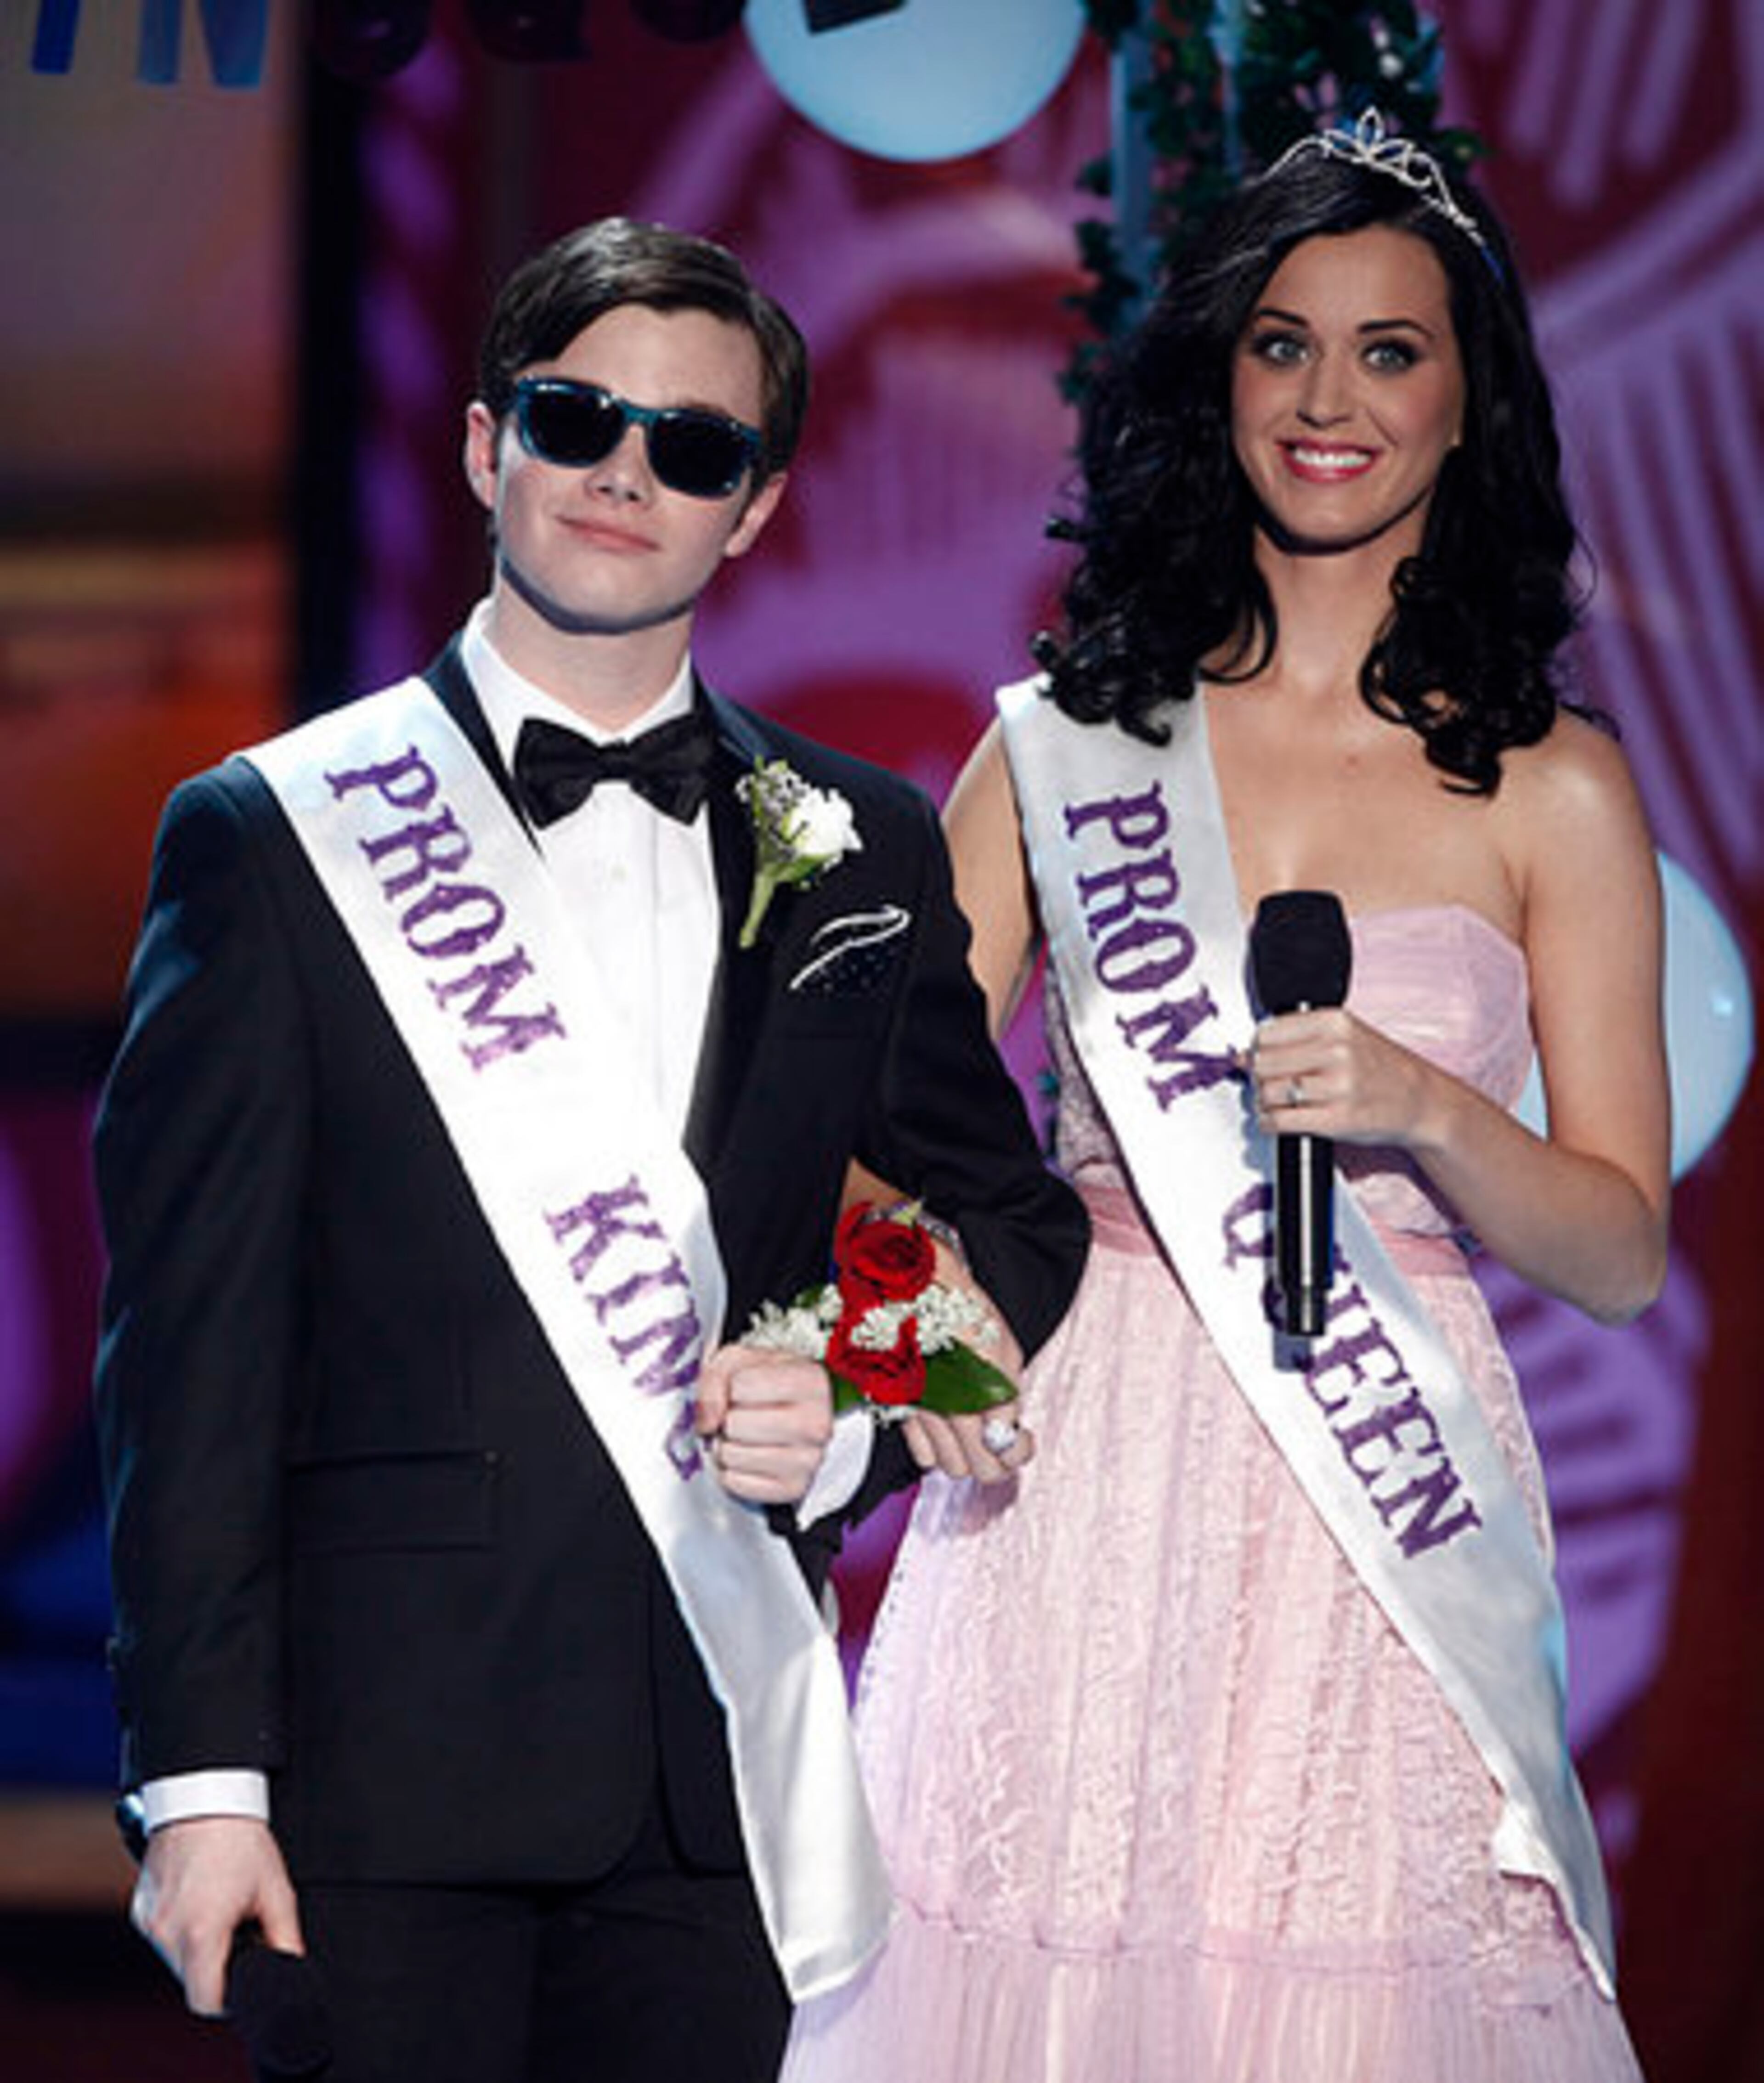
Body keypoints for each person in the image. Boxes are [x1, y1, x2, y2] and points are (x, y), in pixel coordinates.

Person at [92, 216, 1087, 2083]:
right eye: (577, 420)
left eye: (693, 446)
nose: (628, 472)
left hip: (717, 1775)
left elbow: (1002, 1216)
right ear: (486, 450)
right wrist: (201, 1777)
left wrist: (854, 1390)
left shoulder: (860, 839)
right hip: (377, 1783)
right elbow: (189, 1352)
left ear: (758, 507)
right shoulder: (276, 835)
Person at [783, 113, 1667, 2082]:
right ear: (1219, 381)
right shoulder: (1062, 747)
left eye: (1388, 349)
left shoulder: (1557, 787)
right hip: (1074, 1471)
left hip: (1386, 1475)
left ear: (1469, 403)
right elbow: (870, 1121)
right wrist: (913, 1364)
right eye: (1282, 343)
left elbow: (1617, 1250)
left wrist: (1430, 1107)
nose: (1329, 398)